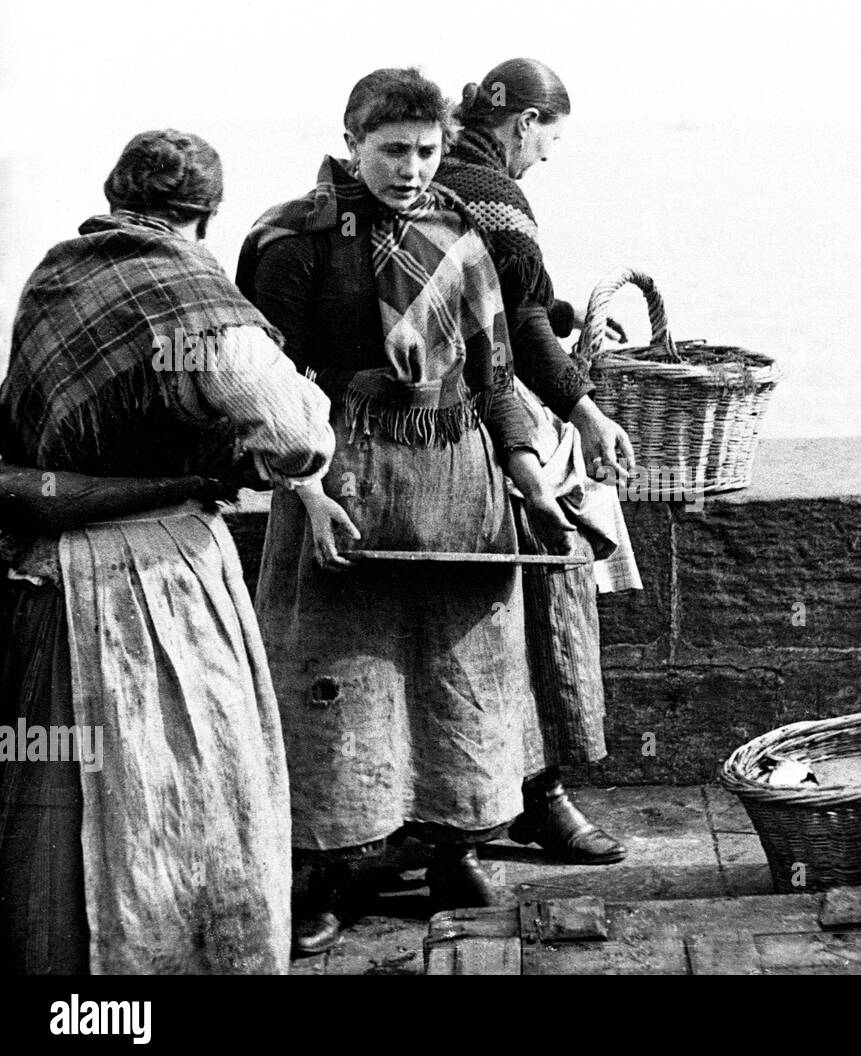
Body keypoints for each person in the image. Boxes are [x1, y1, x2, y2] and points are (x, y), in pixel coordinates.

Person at [237, 67, 576, 955]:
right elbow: (270, 388)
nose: (412, 167)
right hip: (341, 479)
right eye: (391, 150)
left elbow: (493, 373)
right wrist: (306, 492)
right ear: (351, 143)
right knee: (336, 681)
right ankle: (324, 872)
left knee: (457, 673)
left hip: (456, 476)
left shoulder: (459, 230)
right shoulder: (292, 240)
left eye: (427, 149)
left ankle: (454, 844)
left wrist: (529, 473)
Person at [0, 129, 336, 974]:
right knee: (182, 785)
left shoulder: (55, 274)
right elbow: (292, 435)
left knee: (54, 797)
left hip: (44, 574)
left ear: (115, 197)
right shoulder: (189, 293)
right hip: (156, 577)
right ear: (205, 216)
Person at [437, 58, 641, 864]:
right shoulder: (493, 194)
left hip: (409, 424)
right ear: (522, 122)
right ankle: (540, 792)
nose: (547, 156)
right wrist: (585, 410)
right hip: (468, 424)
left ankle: (505, 801)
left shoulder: (434, 181)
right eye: (549, 137)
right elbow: (517, 328)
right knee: (549, 579)